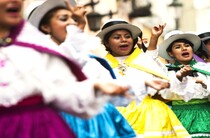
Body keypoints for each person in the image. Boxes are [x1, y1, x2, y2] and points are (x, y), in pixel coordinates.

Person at [0, 0, 132, 138]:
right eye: (64, 18)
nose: (71, 23)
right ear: (45, 27)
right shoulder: (33, 53)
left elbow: (66, 92)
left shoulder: (75, 55)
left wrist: (96, 88)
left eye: (73, 20)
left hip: (84, 124)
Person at [96, 19, 191, 138]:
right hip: (116, 118)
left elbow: (168, 92)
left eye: (127, 36)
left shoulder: (146, 61)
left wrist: (178, 79)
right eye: (117, 37)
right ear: (107, 43)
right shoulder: (99, 66)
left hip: (151, 119)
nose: (124, 40)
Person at [157, 30, 210, 137]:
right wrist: (179, 78)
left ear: (192, 49)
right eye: (178, 47)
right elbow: (164, 95)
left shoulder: (205, 68)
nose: (184, 48)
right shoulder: (166, 72)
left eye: (187, 45)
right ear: (170, 53)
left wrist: (205, 83)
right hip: (179, 119)